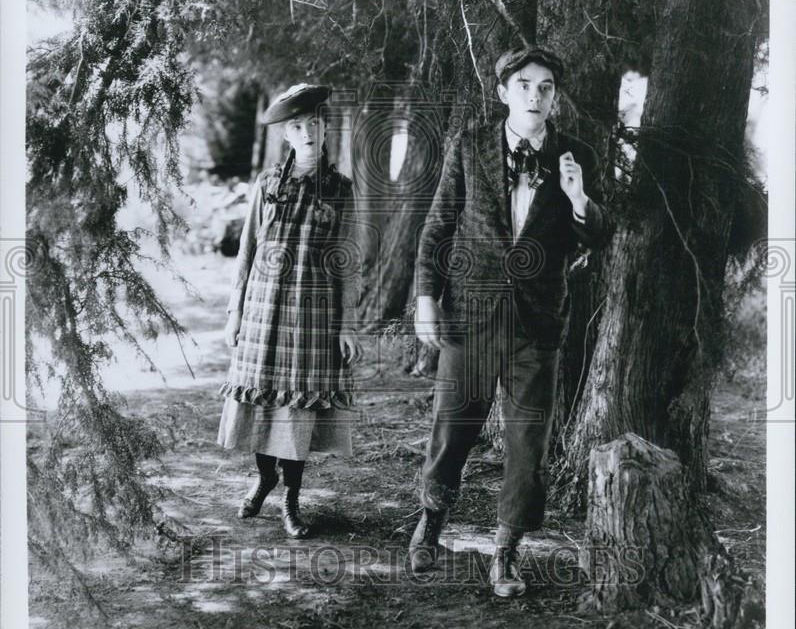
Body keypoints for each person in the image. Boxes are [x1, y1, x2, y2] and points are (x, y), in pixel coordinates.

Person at [411, 46, 613, 597]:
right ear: (503, 93)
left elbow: (599, 233)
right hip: (470, 316)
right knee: (452, 431)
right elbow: (437, 227)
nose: (535, 95)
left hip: (537, 324)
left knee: (528, 445)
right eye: (524, 84)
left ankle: (506, 552)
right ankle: (430, 522)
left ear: (555, 97)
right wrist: (426, 300)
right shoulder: (470, 145)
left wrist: (578, 199)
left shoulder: (577, 156)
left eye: (546, 87)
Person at [217, 83, 362, 538]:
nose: (307, 132)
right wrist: (234, 312)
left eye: (314, 123)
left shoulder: (340, 190)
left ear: (324, 126)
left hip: (312, 315)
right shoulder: (266, 186)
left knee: (297, 411)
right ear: (286, 134)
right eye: (297, 126)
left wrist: (347, 325)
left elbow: (347, 261)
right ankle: (263, 480)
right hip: (263, 308)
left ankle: (292, 503)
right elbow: (247, 250)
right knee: (263, 402)